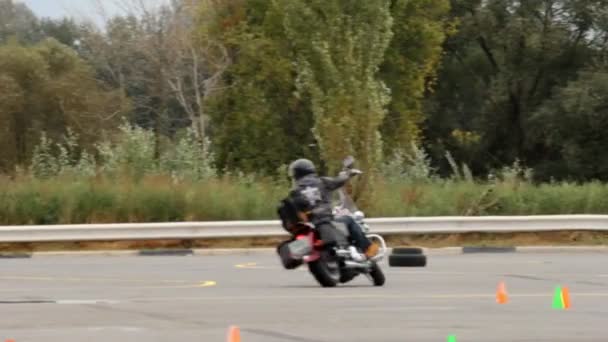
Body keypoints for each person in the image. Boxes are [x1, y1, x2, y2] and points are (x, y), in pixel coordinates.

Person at [286, 158, 380, 259]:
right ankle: (368, 248)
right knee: (349, 220)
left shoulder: (294, 192)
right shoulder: (322, 182)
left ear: (296, 174)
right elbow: (339, 181)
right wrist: (348, 174)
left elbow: (292, 211)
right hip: (326, 221)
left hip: (310, 226)